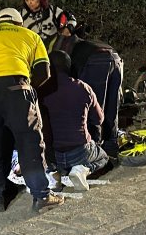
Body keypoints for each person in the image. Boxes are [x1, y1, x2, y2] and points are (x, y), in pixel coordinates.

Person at [0, 7, 64, 213]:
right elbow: (43, 71)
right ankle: (41, 196)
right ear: (19, 23)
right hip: (16, 87)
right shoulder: (30, 35)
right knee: (29, 141)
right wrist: (26, 90)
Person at [48, 16, 123, 157]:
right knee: (112, 105)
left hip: (96, 60)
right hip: (115, 57)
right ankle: (111, 146)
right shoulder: (78, 42)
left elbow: (92, 112)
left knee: (96, 106)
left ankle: (95, 149)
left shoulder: (58, 45)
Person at [39, 50, 109, 191]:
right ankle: (82, 169)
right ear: (69, 67)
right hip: (79, 152)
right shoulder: (83, 87)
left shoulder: (40, 91)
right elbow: (99, 119)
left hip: (52, 155)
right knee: (104, 158)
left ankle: (53, 174)